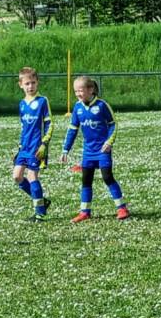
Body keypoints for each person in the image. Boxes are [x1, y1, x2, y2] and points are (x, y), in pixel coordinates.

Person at [60, 76, 130, 222]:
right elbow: (73, 129)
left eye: (80, 90)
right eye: (75, 91)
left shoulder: (102, 105)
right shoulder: (77, 108)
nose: (78, 94)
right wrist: (65, 149)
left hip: (102, 150)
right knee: (86, 181)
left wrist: (109, 142)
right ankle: (85, 212)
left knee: (107, 177)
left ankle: (122, 208)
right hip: (88, 152)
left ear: (91, 89)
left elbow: (113, 124)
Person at [13, 67, 52, 221]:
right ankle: (42, 201)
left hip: (37, 147)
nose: (31, 86)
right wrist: (19, 147)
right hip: (24, 147)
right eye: (27, 83)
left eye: (33, 83)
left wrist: (44, 144)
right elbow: (23, 127)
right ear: (20, 85)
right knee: (17, 177)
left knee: (31, 176)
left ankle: (40, 213)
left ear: (37, 82)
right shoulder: (22, 104)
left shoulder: (42, 101)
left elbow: (49, 123)